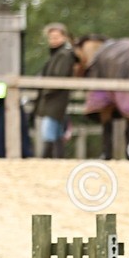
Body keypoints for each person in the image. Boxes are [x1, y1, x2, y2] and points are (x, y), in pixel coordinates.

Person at [32, 22, 75, 159]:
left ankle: (46, 158)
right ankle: (58, 159)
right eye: (51, 37)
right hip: (53, 98)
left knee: (48, 130)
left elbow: (59, 77)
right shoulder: (57, 55)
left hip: (55, 98)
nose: (53, 40)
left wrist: (45, 87)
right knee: (56, 132)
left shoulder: (64, 55)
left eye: (56, 37)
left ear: (64, 37)